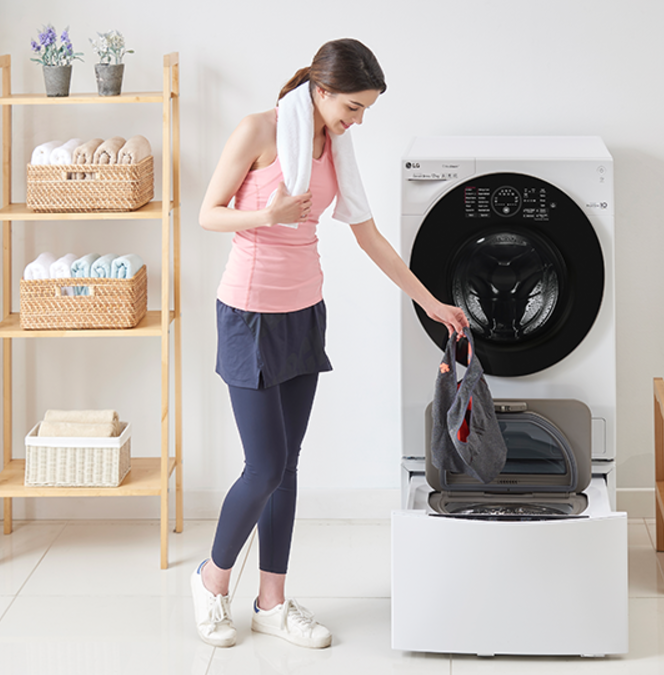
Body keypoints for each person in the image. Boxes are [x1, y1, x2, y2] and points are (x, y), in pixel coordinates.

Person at [194, 38, 468, 649]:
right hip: (249, 312)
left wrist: (429, 301)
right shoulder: (259, 130)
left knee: (286, 465)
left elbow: (369, 238)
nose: (358, 121)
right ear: (319, 91)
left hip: (303, 312)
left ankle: (271, 600)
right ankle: (212, 582)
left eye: (365, 110)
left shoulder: (331, 147)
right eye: (353, 107)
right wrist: (267, 215)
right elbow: (208, 213)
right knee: (262, 465)